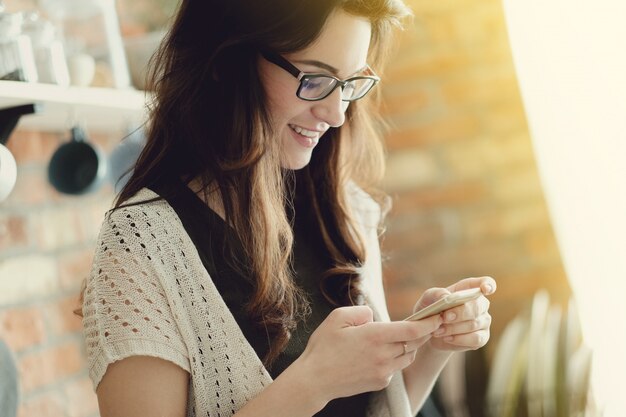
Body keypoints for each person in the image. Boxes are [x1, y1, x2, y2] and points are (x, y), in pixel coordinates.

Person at [80, 0, 497, 416]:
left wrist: (433, 347)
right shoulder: (140, 249)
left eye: (351, 83)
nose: (335, 114)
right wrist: (314, 382)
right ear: (228, 59)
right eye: (315, 79)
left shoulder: (345, 208)